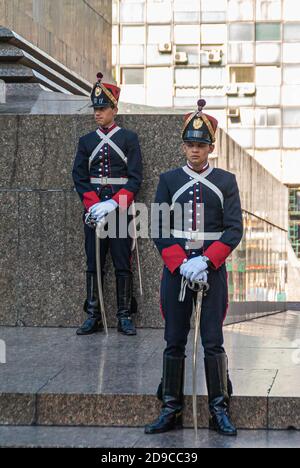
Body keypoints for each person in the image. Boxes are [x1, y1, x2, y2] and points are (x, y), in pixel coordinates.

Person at [145, 99, 243, 436]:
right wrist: (181, 263)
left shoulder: (226, 181)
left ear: (211, 147)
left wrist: (206, 259)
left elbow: (234, 229)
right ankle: (170, 407)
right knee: (174, 339)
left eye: (201, 145)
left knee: (213, 340)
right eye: (189, 144)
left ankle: (219, 409)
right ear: (183, 145)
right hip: (177, 273)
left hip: (211, 272)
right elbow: (158, 226)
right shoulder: (169, 180)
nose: (194, 151)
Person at [72, 73, 143, 336]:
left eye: (103, 108)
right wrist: (93, 206)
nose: (98, 113)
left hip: (120, 212)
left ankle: (124, 315)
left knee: (122, 263)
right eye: (96, 108)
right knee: (94, 263)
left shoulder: (128, 139)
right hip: (93, 212)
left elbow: (135, 179)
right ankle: (93, 314)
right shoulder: (86, 142)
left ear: (115, 109)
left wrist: (113, 204)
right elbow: (79, 176)